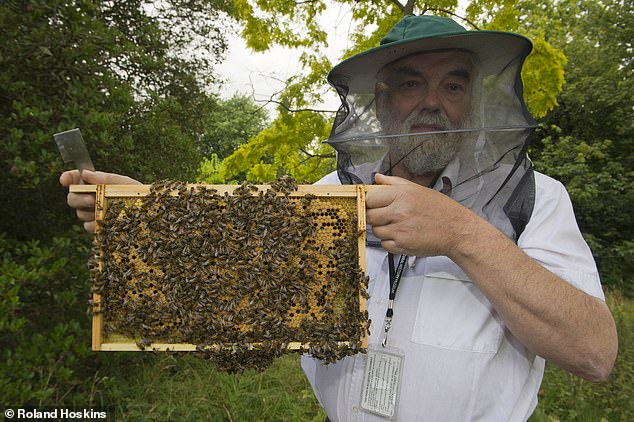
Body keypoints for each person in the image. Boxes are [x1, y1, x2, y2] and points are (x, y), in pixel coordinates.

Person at [61, 14, 617, 422]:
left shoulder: (535, 199)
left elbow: (595, 354)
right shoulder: (327, 198)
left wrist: (459, 233)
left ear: (472, 101)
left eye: (454, 83)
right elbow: (228, 272)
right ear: (379, 99)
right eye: (411, 82)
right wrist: (148, 215)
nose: (433, 101)